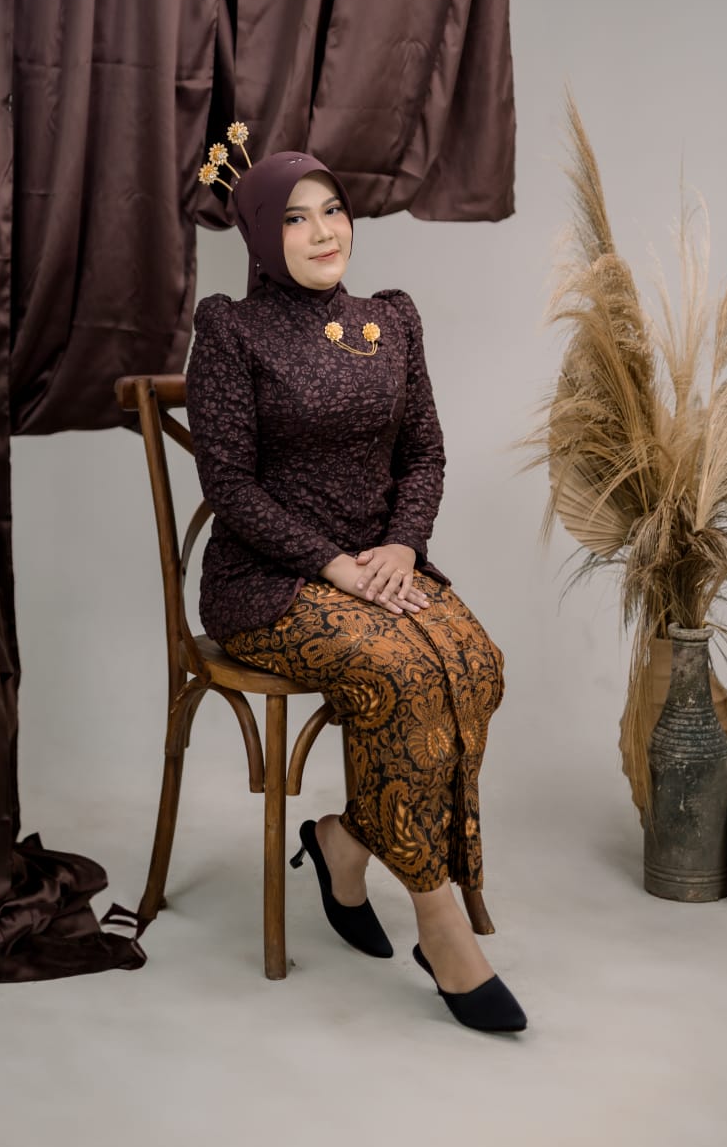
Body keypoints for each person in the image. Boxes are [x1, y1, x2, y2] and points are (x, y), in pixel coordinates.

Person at [185, 142, 526, 1034]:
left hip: (383, 567)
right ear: (261, 236)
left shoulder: (391, 319)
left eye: (331, 209)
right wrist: (335, 564)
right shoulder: (230, 330)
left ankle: (343, 842)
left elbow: (425, 453)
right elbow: (229, 486)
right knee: (403, 676)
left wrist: (403, 546)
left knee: (476, 664)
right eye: (294, 218)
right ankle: (440, 925)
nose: (322, 231)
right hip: (269, 582)